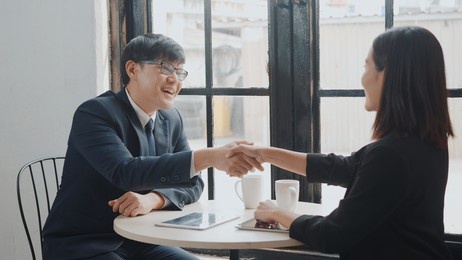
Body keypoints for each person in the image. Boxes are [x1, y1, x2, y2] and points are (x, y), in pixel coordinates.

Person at [227, 26, 454, 259]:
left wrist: (278, 213)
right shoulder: (424, 142)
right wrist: (263, 153)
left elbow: (332, 234)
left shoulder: (390, 155)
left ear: (386, 75)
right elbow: (341, 167)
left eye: (366, 66)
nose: (363, 77)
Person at [42, 33, 261, 260]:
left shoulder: (171, 118)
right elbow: (125, 172)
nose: (174, 79)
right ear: (133, 70)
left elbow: (193, 184)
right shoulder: (94, 113)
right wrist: (208, 157)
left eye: (180, 72)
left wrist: (154, 199)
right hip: (84, 242)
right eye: (165, 68)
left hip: (142, 241)